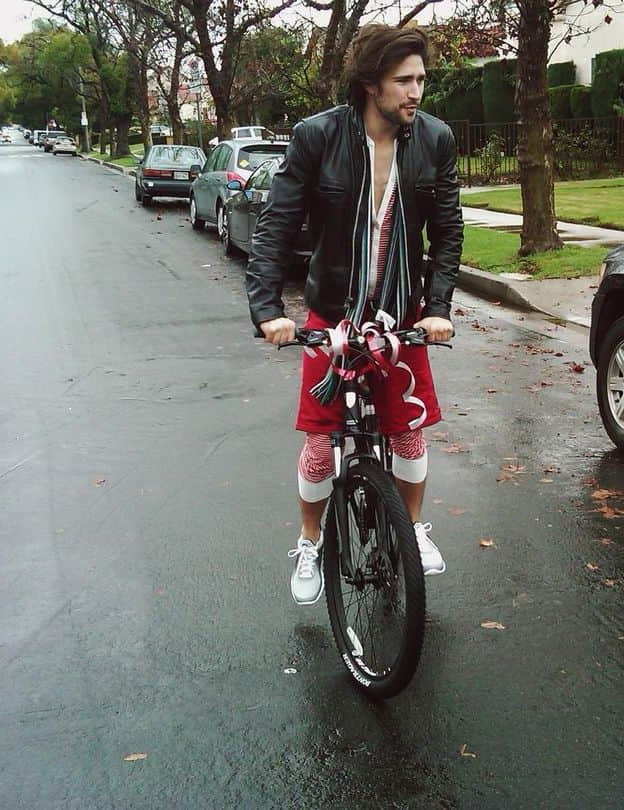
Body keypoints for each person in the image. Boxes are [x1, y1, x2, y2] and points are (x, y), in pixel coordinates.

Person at [245, 23, 464, 605]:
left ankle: (412, 530)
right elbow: (277, 225)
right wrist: (268, 309)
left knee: (409, 435)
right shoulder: (317, 137)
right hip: (332, 312)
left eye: (421, 79)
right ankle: (311, 540)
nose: (416, 92)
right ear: (372, 82)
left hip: (400, 312)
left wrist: (437, 308)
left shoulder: (434, 140)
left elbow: (447, 233)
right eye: (404, 81)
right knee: (321, 444)